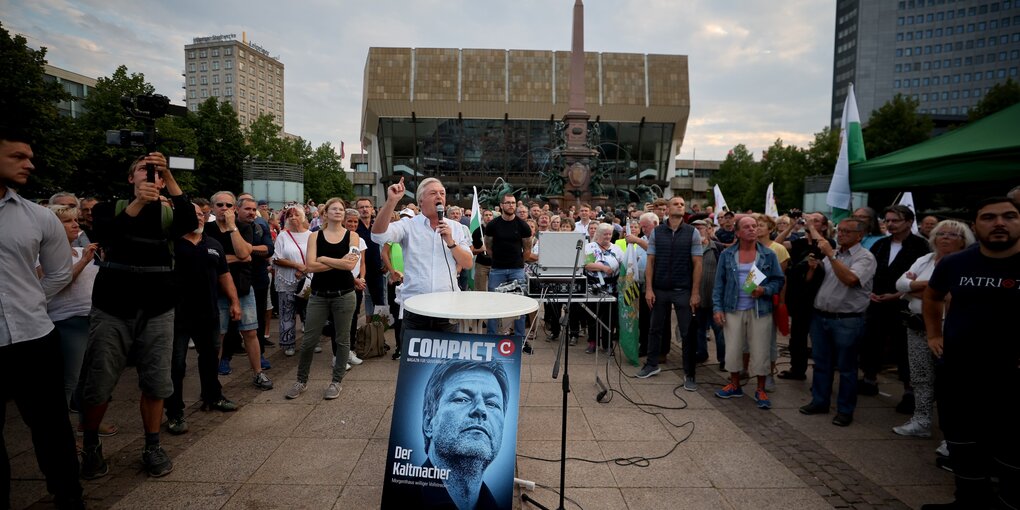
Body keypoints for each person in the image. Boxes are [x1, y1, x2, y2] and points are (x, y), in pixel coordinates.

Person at [78, 152, 198, 479]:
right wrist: (137, 205)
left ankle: (152, 444)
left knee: (157, 380)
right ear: (131, 179)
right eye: (143, 173)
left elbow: (190, 222)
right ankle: (90, 445)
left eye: (156, 175)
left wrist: (170, 178)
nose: (150, 179)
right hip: (113, 305)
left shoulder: (169, 214)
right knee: (99, 379)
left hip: (158, 304)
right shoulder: (109, 208)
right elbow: (108, 235)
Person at [0, 131, 84, 509]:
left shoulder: (37, 217)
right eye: (18, 156)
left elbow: (58, 272)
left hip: (34, 336)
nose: (29, 164)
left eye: (30, 156)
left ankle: (68, 497)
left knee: (52, 428)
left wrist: (31, 301)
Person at [921, 197, 1020, 509]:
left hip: (1012, 377)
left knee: (1011, 450)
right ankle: (968, 501)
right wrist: (934, 333)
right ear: (976, 226)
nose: (1000, 223)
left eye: (1009, 216)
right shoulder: (956, 263)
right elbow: (932, 296)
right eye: (989, 217)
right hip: (960, 372)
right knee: (963, 444)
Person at [384, 359, 509, 509]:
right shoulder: (399, 501)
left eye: (492, 404)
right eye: (462, 399)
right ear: (429, 422)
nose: (481, 409)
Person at [891, 220, 973, 439]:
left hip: (949, 329)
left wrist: (915, 287)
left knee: (950, 382)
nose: (945, 237)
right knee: (920, 376)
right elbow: (900, 285)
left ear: (964, 241)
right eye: (941, 233)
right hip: (917, 325)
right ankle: (921, 420)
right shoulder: (924, 259)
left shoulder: (965, 263)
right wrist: (930, 289)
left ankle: (952, 435)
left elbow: (953, 294)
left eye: (952, 235)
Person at [165, 203, 241, 435]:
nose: (200, 218)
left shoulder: (213, 244)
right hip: (178, 314)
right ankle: (175, 411)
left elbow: (224, 275)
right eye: (195, 214)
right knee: (176, 364)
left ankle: (213, 396)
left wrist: (234, 301)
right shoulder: (172, 243)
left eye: (202, 214)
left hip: (208, 312)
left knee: (209, 357)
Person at [798, 218, 877, 427]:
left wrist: (831, 256)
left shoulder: (865, 257)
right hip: (821, 317)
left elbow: (850, 280)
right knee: (821, 364)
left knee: (847, 368)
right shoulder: (835, 255)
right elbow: (814, 281)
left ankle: (845, 410)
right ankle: (820, 401)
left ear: (860, 235)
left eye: (847, 232)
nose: (840, 235)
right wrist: (813, 268)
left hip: (846, 320)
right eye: (839, 231)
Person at [372, 177, 472, 334]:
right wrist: (391, 201)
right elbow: (378, 236)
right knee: (413, 358)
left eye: (442, 193)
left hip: (447, 308)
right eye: (433, 193)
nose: (439, 196)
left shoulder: (456, 227)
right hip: (415, 308)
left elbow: (467, 263)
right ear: (420, 201)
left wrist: (451, 242)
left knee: (447, 358)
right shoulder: (408, 225)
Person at [285, 198, 360, 400]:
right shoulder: (315, 236)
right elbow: (310, 266)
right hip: (318, 295)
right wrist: (337, 262)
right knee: (309, 340)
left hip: (344, 294)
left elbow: (350, 266)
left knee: (342, 340)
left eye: (341, 209)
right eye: (333, 209)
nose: (338, 211)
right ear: (325, 213)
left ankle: (336, 381)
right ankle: (301, 380)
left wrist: (324, 259)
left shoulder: (353, 236)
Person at [859, 205, 929, 414]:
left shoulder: (920, 247)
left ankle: (909, 392)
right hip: (876, 302)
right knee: (872, 342)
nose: (890, 224)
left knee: (904, 349)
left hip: (904, 305)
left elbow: (922, 279)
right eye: (887, 220)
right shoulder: (881, 245)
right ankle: (869, 380)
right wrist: (870, 292)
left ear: (908, 222)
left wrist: (897, 295)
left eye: (895, 220)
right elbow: (869, 271)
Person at [712, 216, 785, 408]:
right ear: (737, 232)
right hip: (733, 308)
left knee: (761, 350)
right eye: (747, 227)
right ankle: (734, 384)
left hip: (760, 309)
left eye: (754, 226)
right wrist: (717, 308)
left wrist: (764, 290)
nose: (752, 229)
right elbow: (719, 284)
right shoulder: (728, 255)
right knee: (733, 348)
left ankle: (760, 389)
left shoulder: (768, 255)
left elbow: (778, 280)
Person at [206, 192, 273, 390]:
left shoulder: (242, 227)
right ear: (212, 208)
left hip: (243, 287)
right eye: (220, 205)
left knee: (250, 331)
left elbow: (245, 254)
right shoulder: (207, 230)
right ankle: (212, 381)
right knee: (218, 335)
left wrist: (232, 228)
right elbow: (207, 258)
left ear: (234, 209)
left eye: (228, 205)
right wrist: (232, 257)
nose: (224, 208)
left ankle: (258, 373)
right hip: (216, 290)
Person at [636, 196, 703, 386]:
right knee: (654, 328)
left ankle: (689, 373)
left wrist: (695, 292)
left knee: (687, 331)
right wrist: (648, 289)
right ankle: (651, 364)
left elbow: (698, 264)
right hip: (660, 288)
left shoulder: (692, 233)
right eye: (676, 204)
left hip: (683, 289)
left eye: (682, 204)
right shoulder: (658, 232)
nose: (680, 206)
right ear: (668, 208)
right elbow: (650, 262)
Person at [776, 212, 835, 381]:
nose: (810, 222)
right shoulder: (799, 242)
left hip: (817, 295)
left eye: (816, 221)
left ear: (824, 226)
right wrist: (790, 226)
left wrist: (809, 226)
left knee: (818, 338)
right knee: (797, 336)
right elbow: (776, 246)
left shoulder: (827, 243)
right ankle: (797, 370)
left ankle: (823, 373)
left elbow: (822, 244)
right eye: (809, 220)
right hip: (797, 295)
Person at [485, 193, 534, 337]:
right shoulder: (493, 225)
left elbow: (527, 249)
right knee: (493, 304)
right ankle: (492, 336)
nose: (511, 205)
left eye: (513, 203)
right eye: (507, 203)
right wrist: (499, 260)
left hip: (516, 270)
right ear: (501, 205)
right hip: (497, 269)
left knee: (520, 305)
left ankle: (519, 338)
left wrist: (517, 262)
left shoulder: (523, 225)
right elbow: (488, 246)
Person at [272, 206, 312, 356]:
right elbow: (277, 258)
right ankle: (288, 343)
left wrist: (303, 269)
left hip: (308, 279)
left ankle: (310, 343)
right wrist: (296, 265)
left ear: (303, 217)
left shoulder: (311, 235)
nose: (293, 217)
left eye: (296, 214)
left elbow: (316, 257)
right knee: (287, 311)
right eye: (289, 214)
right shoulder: (283, 236)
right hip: (287, 280)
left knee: (309, 312)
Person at [582, 223, 624, 354]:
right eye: (605, 234)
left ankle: (607, 344)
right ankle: (592, 342)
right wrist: (603, 268)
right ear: (598, 235)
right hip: (593, 287)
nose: (607, 236)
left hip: (612, 288)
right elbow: (587, 265)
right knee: (592, 316)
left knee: (609, 318)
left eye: (609, 234)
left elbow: (623, 265)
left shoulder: (617, 249)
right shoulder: (589, 247)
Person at [691, 218, 727, 370]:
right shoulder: (690, 249)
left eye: (701, 227)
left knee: (720, 330)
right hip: (697, 297)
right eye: (695, 228)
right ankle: (701, 353)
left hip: (715, 299)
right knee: (698, 328)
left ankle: (724, 359)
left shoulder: (717, 248)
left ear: (708, 229)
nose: (699, 230)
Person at [355, 197, 387, 318]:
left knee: (379, 300)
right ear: (357, 210)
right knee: (356, 301)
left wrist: (385, 262)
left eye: (367, 207)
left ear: (372, 209)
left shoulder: (377, 224)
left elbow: (386, 242)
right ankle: (361, 331)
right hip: (358, 269)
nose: (364, 210)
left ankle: (379, 332)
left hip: (376, 268)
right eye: (361, 207)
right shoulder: (354, 226)